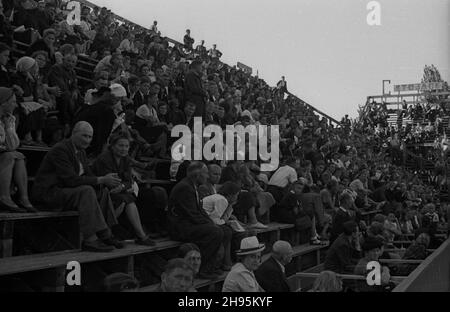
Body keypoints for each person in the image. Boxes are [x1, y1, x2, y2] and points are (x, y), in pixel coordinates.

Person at [31, 121, 123, 252]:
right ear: (73, 134)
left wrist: (108, 182)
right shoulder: (61, 149)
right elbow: (70, 180)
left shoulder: (81, 152)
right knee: (86, 191)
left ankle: (106, 234)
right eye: (84, 136)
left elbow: (89, 175)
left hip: (65, 191)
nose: (87, 140)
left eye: (90, 137)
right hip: (50, 192)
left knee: (102, 190)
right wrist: (101, 179)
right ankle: (90, 239)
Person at [91, 133, 156, 246]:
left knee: (128, 200)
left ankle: (141, 235)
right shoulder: (104, 159)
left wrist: (122, 187)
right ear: (112, 146)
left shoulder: (125, 159)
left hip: (118, 191)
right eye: (121, 145)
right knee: (123, 199)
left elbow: (128, 181)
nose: (124, 149)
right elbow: (110, 183)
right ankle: (106, 234)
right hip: (101, 191)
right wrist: (124, 186)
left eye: (126, 146)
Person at [168, 161, 224, 279]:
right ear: (198, 175)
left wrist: (210, 222)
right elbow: (192, 214)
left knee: (222, 230)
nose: (207, 176)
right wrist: (210, 225)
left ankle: (212, 267)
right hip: (180, 227)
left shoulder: (192, 186)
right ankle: (202, 269)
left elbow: (200, 211)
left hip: (188, 223)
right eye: (206, 173)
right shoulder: (185, 187)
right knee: (215, 232)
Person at [0, 87, 35, 212]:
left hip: (3, 154)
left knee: (19, 156)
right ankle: (4, 196)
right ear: (4, 103)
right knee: (10, 156)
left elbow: (13, 145)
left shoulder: (8, 119)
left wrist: (9, 126)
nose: (16, 105)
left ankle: (24, 198)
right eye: (13, 101)